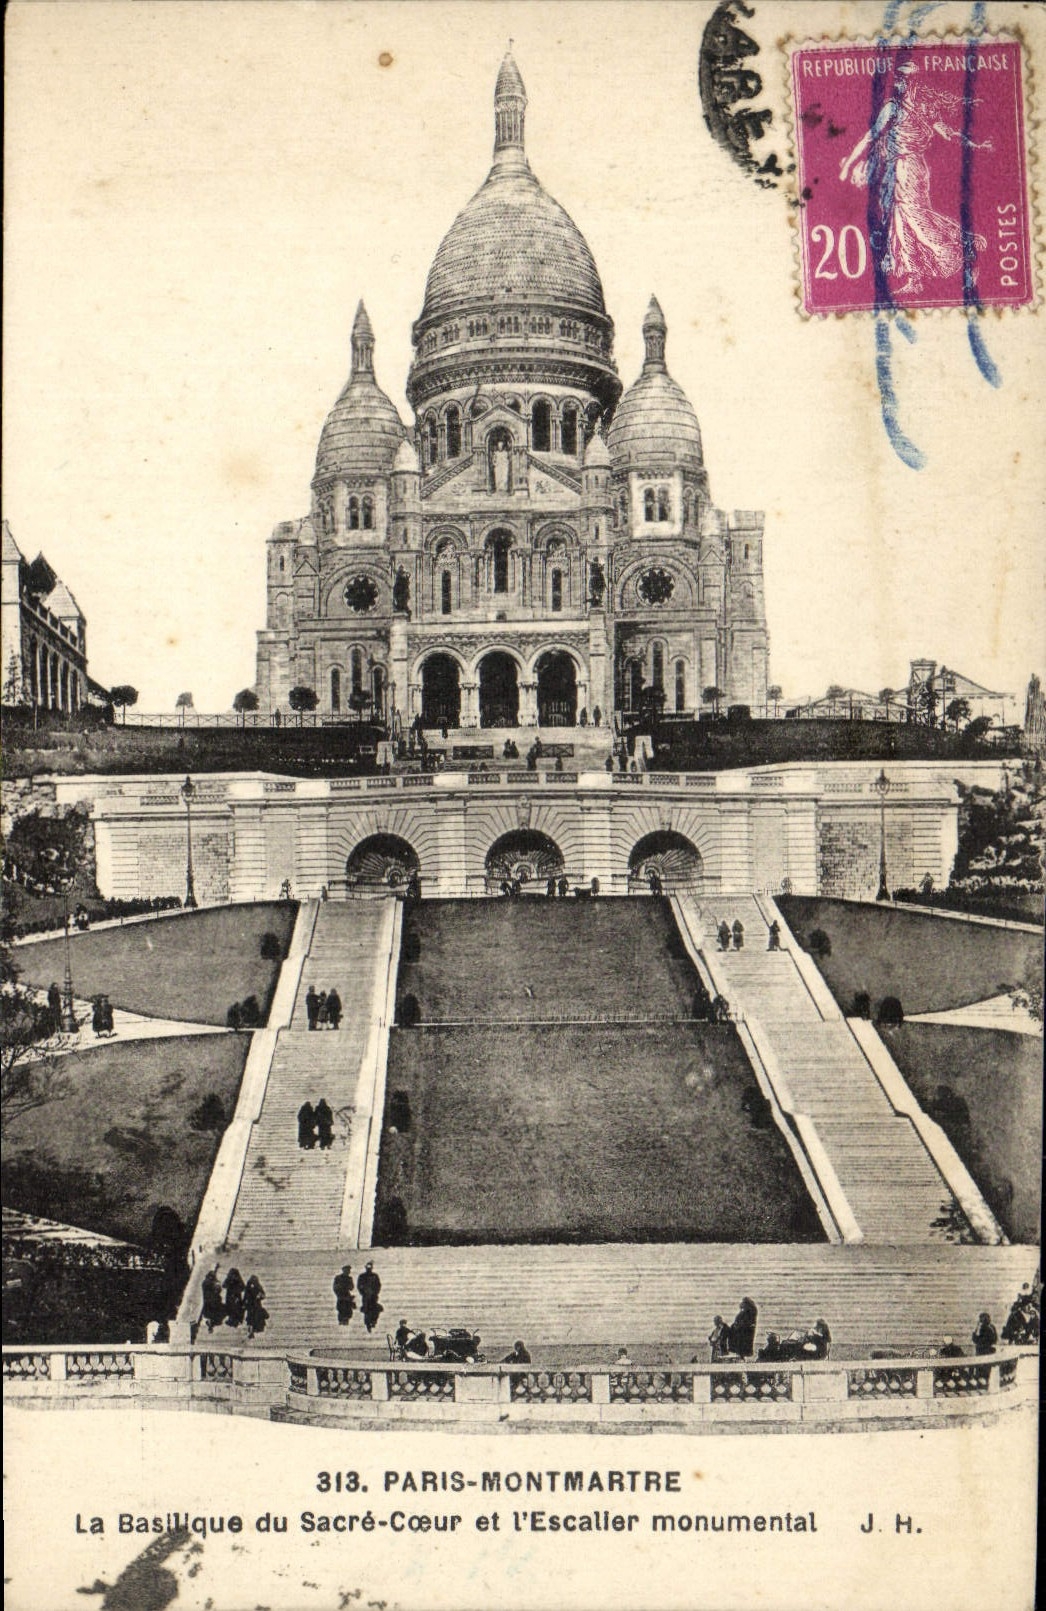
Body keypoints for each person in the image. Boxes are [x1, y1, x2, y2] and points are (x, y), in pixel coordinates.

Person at [357, 1261, 383, 1333]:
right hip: (366, 1297)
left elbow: (378, 1285)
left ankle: (373, 1322)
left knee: (375, 1309)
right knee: (367, 1310)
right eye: (367, 1267)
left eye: (370, 1267)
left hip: (373, 1296)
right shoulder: (362, 1276)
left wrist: (375, 1293)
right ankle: (368, 1324)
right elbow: (359, 1286)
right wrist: (363, 1293)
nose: (369, 1269)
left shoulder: (375, 1276)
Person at [244, 1274, 268, 1339]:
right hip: (256, 1305)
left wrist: (244, 1304)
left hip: (250, 1305)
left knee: (250, 1318)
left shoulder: (248, 1286)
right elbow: (263, 1295)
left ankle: (250, 1331)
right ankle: (252, 1330)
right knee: (254, 1317)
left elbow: (245, 1296)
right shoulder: (258, 1286)